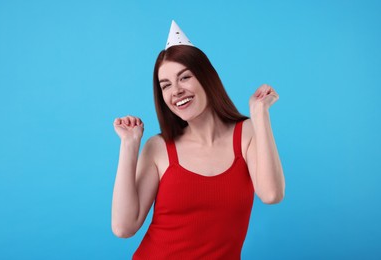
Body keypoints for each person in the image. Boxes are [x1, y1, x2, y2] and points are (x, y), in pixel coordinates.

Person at [111, 21, 285, 259]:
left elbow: (271, 194)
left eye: (184, 78)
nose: (176, 91)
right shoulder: (159, 148)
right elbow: (124, 227)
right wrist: (129, 145)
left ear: (206, 77)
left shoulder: (245, 134)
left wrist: (260, 114)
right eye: (166, 85)